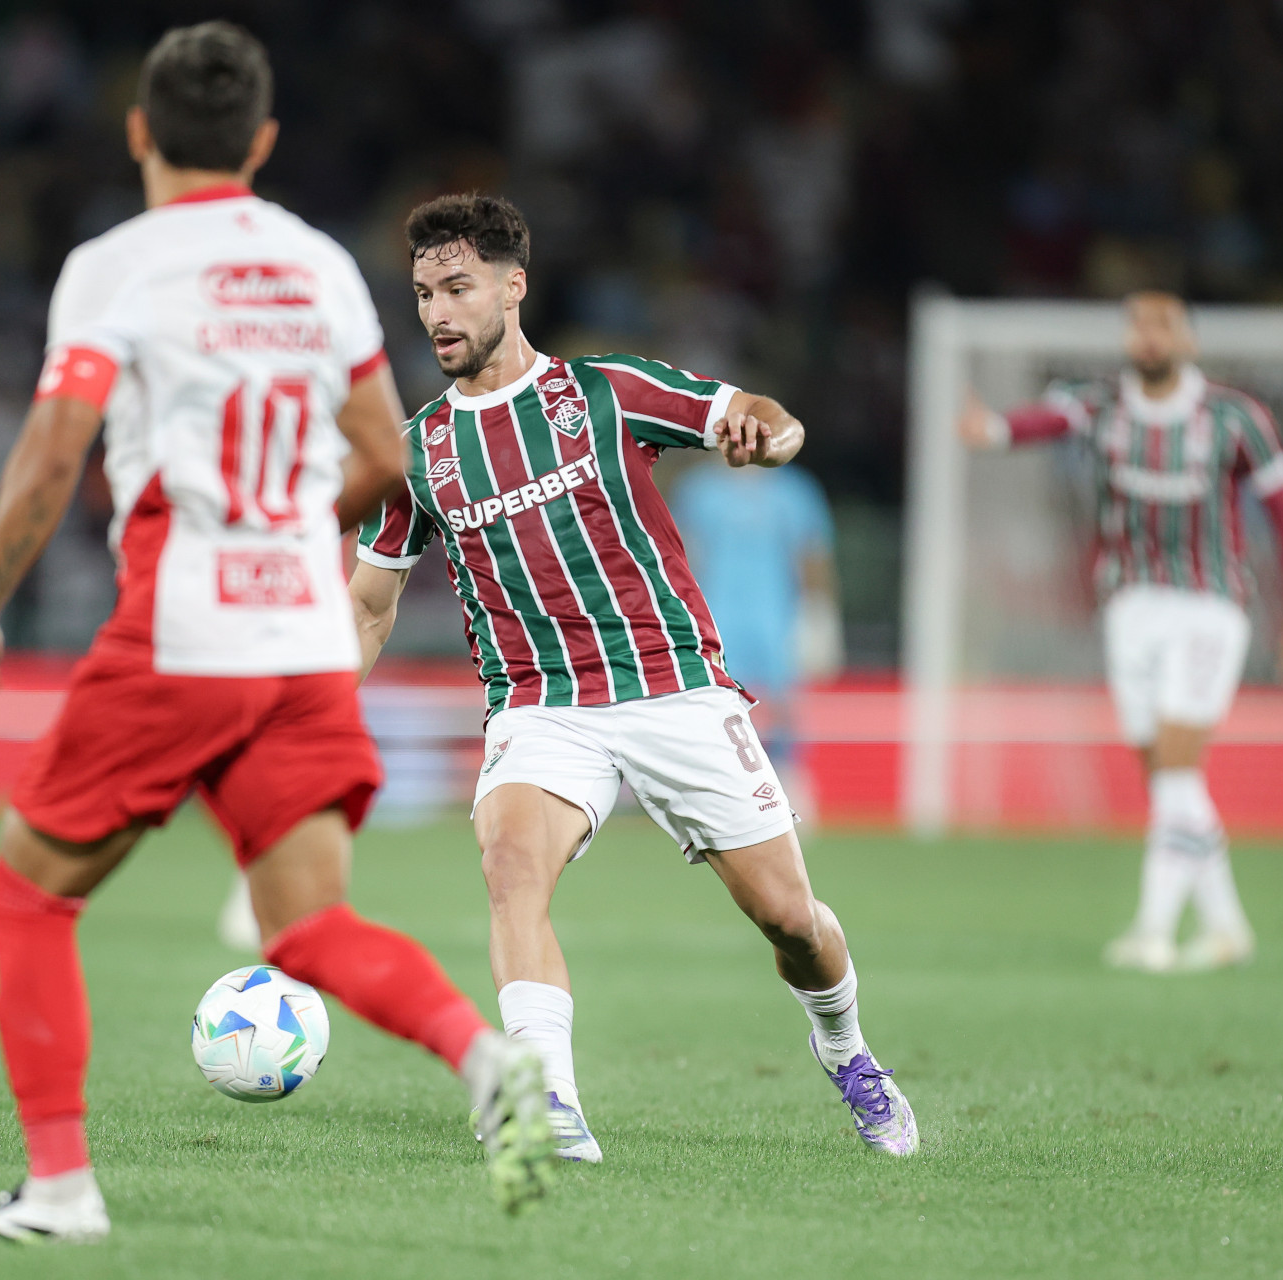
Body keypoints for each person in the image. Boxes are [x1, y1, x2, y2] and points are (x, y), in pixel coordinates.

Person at [0, 27, 552, 1244]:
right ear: (262, 143)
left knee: (30, 897)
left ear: (138, 133)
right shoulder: (319, 264)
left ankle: (60, 1190)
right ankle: (487, 1057)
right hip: (304, 639)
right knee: (309, 927)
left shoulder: (115, 264)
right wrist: (278, 531)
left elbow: (58, 444)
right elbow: (383, 455)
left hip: (179, 627)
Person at [351, 194, 919, 1164]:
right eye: (422, 295)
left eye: (457, 287)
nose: (438, 312)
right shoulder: (417, 450)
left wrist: (770, 437)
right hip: (540, 704)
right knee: (510, 867)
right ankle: (548, 1100)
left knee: (790, 918)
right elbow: (370, 602)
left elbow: (755, 416)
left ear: (512, 286)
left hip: (673, 686)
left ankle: (847, 1046)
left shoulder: (607, 390)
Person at [959, 291, 1283, 973]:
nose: (1147, 336)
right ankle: (1227, 925)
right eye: (1138, 325)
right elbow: (1045, 421)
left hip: (1209, 604)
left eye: (1163, 325)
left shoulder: (1236, 418)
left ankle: (1153, 929)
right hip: (1129, 606)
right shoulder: (1103, 408)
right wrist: (995, 429)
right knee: (1167, 777)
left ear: (1189, 340)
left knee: (1178, 765)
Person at [670, 461, 841, 822]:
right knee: (713, 703)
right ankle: (712, 796)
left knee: (783, 704)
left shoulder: (794, 490)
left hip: (775, 613)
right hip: (716, 611)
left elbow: (810, 554)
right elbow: (682, 552)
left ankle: (791, 787)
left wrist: (817, 611)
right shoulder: (700, 489)